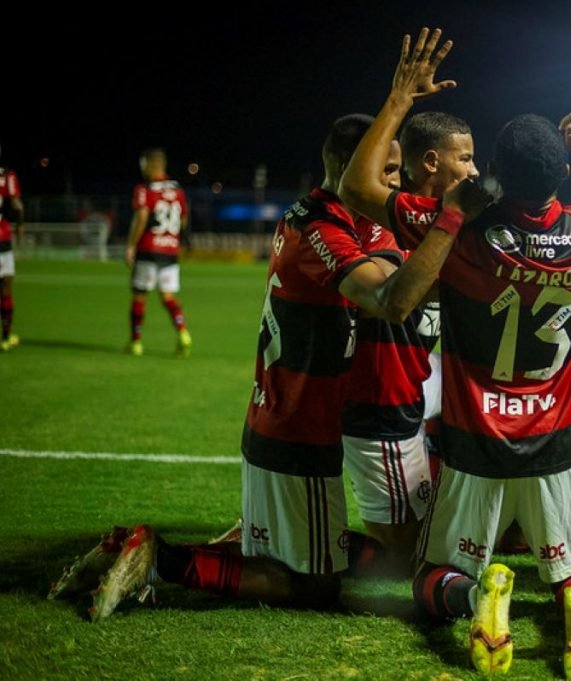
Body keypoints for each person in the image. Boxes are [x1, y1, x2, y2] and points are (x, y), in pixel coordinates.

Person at [56, 29, 490, 622]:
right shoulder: (320, 226)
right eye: (386, 169)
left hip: (307, 413)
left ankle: (180, 547)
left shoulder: (353, 220)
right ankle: (160, 560)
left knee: (357, 554)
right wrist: (452, 229)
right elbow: (390, 299)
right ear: (345, 165)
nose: (393, 181)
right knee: (318, 587)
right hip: (296, 419)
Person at [341, 38, 571, 680]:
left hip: (477, 439)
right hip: (559, 440)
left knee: (435, 575)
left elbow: (359, 187)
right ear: (563, 172)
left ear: (492, 173)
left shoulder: (465, 225)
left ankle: (476, 594)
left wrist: (400, 97)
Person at [340, 110, 478, 571]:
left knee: (478, 393)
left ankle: (442, 474)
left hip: (416, 379)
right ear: (434, 163)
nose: (474, 171)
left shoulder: (449, 222)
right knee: (405, 560)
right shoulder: (389, 226)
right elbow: (395, 297)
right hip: (382, 401)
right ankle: (288, 544)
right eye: (466, 159)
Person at [124, 149, 192, 357]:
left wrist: (130, 245)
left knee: (140, 296)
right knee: (168, 296)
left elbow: (142, 217)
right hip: (170, 251)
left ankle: (136, 342)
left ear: (150, 165)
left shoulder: (144, 189)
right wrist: (174, 238)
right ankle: (183, 333)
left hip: (148, 249)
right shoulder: (177, 190)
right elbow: (183, 219)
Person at [0, 153, 25, 352]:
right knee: (6, 287)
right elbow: (16, 205)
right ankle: (6, 337)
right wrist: (20, 226)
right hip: (2, 238)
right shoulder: (6, 176)